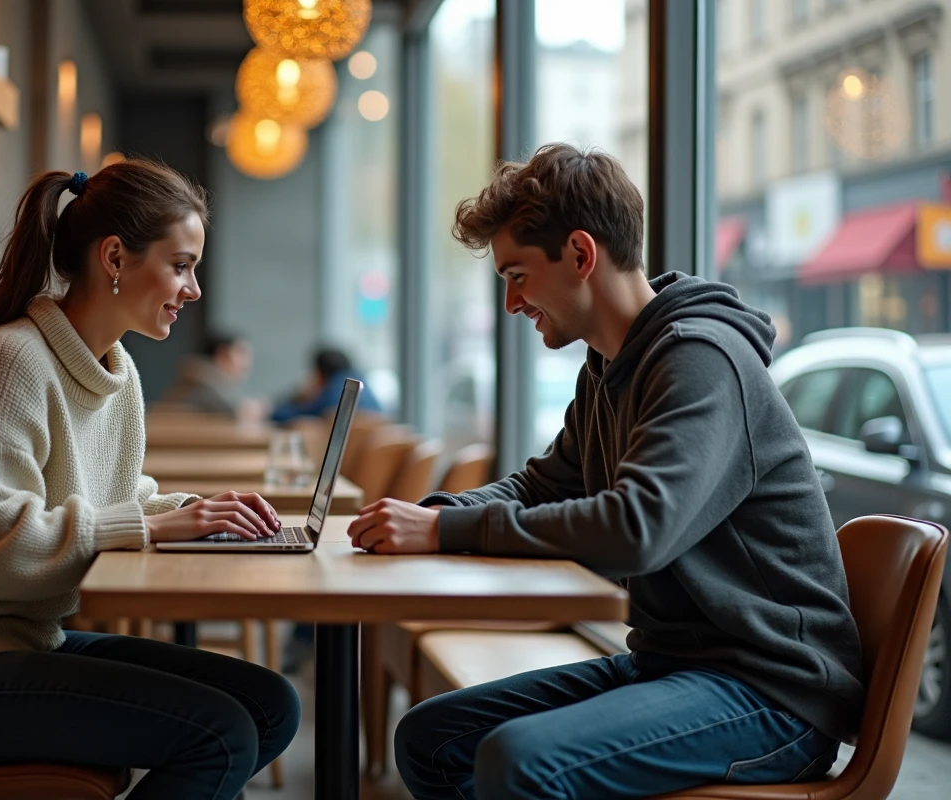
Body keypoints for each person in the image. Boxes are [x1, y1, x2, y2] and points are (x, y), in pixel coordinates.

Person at [346, 143, 864, 799]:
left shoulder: (701, 360)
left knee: (519, 760)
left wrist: (448, 535)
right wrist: (439, 516)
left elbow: (637, 529)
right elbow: (539, 486)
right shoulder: (608, 368)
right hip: (674, 666)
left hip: (773, 694)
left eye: (517, 275)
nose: (511, 304)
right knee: (433, 740)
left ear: (581, 256)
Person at [0, 162, 300, 800]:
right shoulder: (15, 361)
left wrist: (200, 511)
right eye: (181, 265)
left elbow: (120, 499)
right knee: (221, 734)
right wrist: (149, 524)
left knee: (271, 703)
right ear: (114, 256)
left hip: (20, 639)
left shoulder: (117, 372)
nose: (193, 289)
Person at [270, 346, 383, 423]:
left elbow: (302, 415)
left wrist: (274, 409)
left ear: (320, 373)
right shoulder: (361, 382)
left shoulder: (337, 392)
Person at [162, 331, 261, 418]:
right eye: (241, 353)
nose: (247, 363)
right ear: (222, 354)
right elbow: (235, 412)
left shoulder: (202, 378)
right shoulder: (202, 382)